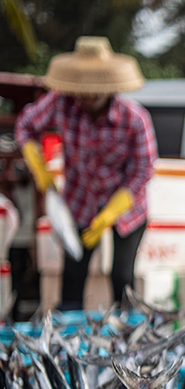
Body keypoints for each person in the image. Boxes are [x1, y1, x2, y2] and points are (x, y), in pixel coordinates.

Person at [16, 36, 156, 311]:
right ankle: (69, 336)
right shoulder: (60, 103)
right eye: (83, 90)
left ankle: (127, 334)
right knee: (73, 276)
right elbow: (25, 126)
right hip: (80, 203)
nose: (88, 97)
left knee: (121, 277)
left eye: (95, 91)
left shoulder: (135, 119)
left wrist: (111, 212)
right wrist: (39, 167)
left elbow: (143, 169)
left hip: (126, 208)